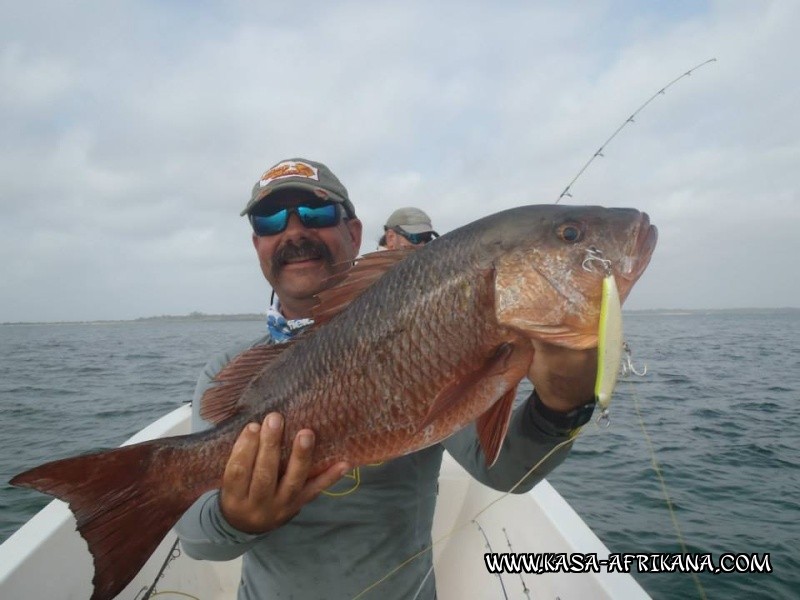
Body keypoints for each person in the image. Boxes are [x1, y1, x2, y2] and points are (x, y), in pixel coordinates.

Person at [175, 157, 599, 600]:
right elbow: (196, 542)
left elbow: (504, 471)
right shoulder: (228, 373)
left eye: (317, 214)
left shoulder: (425, 332)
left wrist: (562, 406)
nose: (294, 231)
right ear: (257, 244)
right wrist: (236, 518)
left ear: (354, 233)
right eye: (271, 219)